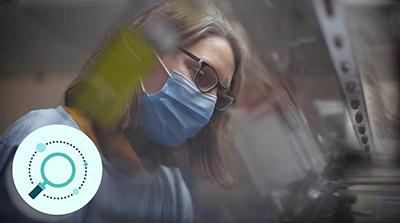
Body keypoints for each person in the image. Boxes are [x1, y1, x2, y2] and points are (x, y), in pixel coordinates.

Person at [0, 1, 247, 222]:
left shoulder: (171, 191)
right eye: (201, 74)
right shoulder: (47, 141)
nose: (208, 103)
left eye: (220, 94)